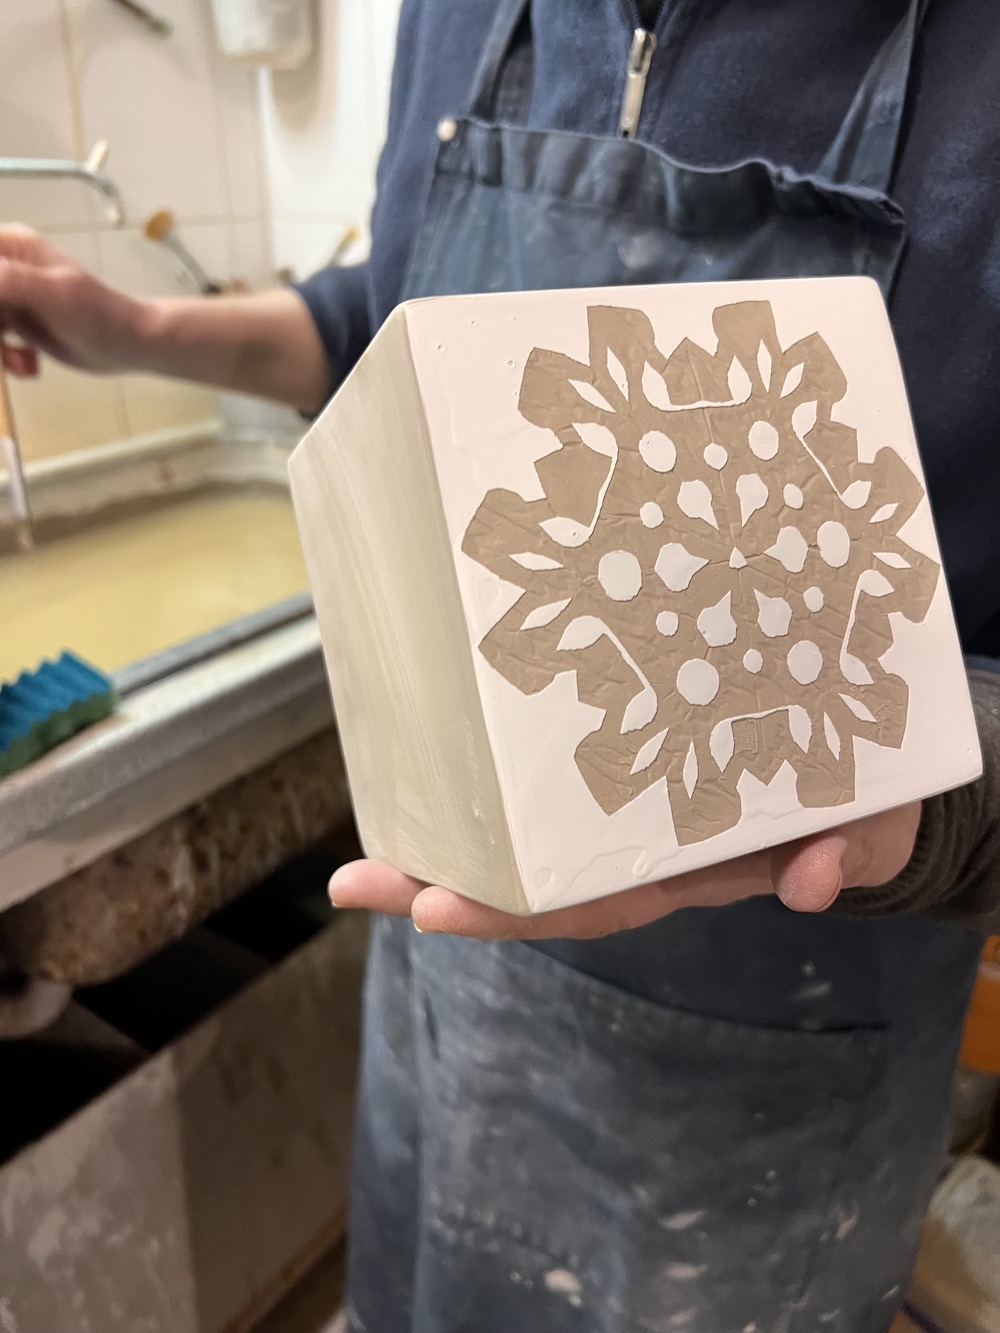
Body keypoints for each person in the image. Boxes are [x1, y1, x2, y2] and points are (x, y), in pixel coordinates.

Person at [2, 2, 999, 1328]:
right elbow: (392, 316)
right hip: (448, 963)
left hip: (783, 1038)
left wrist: (937, 813)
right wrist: (136, 329)